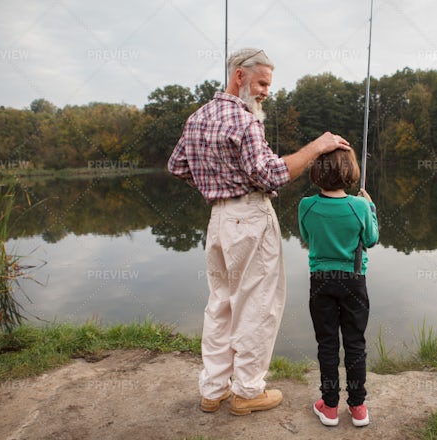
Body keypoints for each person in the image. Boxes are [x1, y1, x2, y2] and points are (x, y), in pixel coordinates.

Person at [167, 47, 351, 416]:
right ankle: (248, 391)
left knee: (220, 303)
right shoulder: (245, 120)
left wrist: (214, 186)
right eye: (262, 82)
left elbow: (177, 166)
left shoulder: (198, 117)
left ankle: (214, 388)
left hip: (218, 220)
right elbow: (269, 174)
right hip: (250, 217)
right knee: (257, 306)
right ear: (240, 76)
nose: (266, 90)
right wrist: (317, 147)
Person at [298, 148, 379, 427]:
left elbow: (307, 236)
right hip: (354, 281)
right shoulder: (359, 207)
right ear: (350, 172)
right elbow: (371, 239)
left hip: (320, 281)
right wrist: (371, 208)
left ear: (317, 172)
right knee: (355, 344)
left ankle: (329, 406)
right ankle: (358, 407)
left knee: (327, 344)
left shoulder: (305, 205)